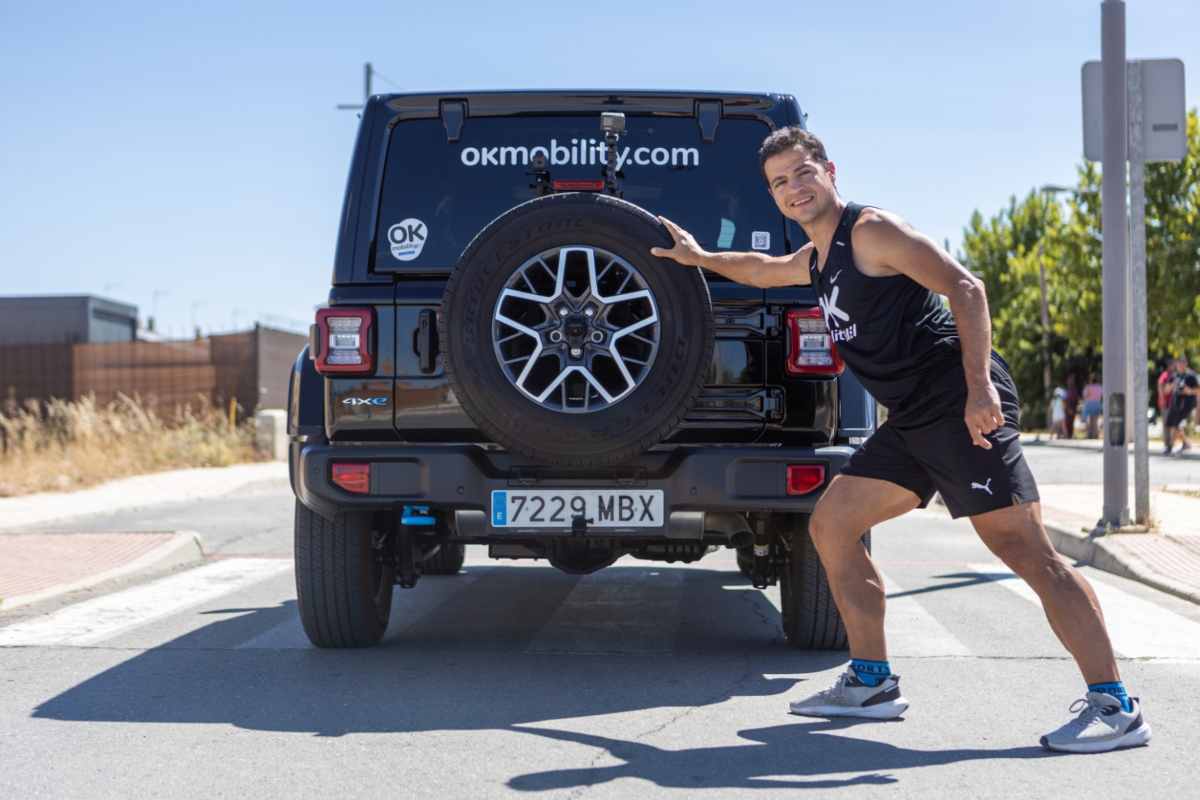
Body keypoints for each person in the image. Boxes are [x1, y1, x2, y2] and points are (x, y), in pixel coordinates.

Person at [650, 127, 1149, 753]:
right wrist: (701, 258)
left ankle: (1116, 706)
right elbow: (765, 271)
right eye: (779, 183)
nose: (794, 189)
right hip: (911, 417)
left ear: (829, 170)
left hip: (958, 404)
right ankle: (872, 682)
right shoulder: (815, 257)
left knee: (1026, 551)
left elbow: (967, 288)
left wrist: (978, 390)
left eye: (802, 173)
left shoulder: (869, 231)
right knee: (832, 523)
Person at [1164, 356, 1198, 455]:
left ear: (1186, 364)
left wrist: (1190, 391)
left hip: (1187, 403)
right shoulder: (1174, 376)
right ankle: (1186, 443)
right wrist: (1171, 386)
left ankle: (1170, 447)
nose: (1180, 365)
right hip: (1175, 402)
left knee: (1176, 424)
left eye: (1183, 363)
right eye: (1179, 363)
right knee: (1171, 424)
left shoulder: (1191, 376)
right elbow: (1166, 390)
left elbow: (1198, 390)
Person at [1155, 363, 1175, 428]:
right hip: (1165, 403)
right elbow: (1160, 385)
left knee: (1171, 423)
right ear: (1168, 366)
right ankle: (1167, 438)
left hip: (1170, 403)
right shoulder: (1165, 374)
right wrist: (1162, 399)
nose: (1174, 367)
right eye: (1172, 365)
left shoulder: (1172, 375)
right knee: (1166, 423)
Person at [1063, 374, 1079, 440]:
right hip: (1067, 408)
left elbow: (1075, 400)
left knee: (1070, 422)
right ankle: (1068, 435)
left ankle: (1070, 435)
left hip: (1071, 408)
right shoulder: (1068, 389)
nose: (1068, 382)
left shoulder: (1073, 390)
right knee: (1067, 422)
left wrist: (1071, 408)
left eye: (1069, 380)